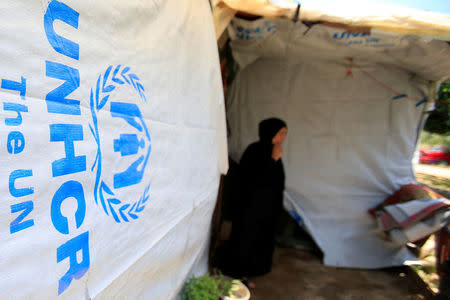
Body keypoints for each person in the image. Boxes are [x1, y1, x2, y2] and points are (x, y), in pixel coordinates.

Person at [222, 117, 287, 287]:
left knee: (260, 240)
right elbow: (253, 180)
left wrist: (275, 160)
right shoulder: (254, 151)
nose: (283, 138)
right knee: (245, 240)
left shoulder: (275, 151)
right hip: (250, 208)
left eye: (284, 134)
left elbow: (277, 182)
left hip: (267, 208)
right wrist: (272, 160)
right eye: (281, 133)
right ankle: (237, 274)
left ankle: (251, 271)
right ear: (270, 133)